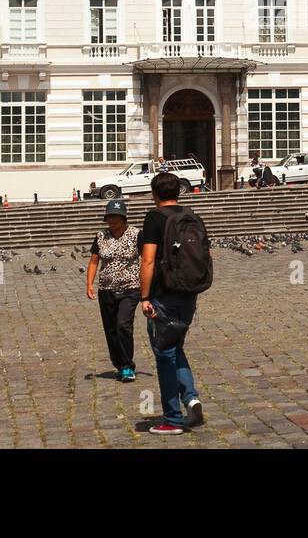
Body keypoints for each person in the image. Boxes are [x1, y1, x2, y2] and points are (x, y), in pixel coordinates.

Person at [139, 171, 212, 435]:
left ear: (154, 193)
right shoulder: (192, 216)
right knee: (175, 347)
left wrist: (144, 296)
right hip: (189, 293)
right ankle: (191, 399)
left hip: (163, 294)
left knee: (164, 355)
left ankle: (172, 418)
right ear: (178, 192)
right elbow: (206, 253)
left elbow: (148, 260)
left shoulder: (155, 218)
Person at [87, 199, 141, 382]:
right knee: (111, 329)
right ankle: (118, 363)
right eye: (109, 217)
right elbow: (94, 261)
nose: (112, 220)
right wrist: (89, 284)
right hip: (106, 289)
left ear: (124, 217)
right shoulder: (101, 236)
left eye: (116, 217)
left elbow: (148, 259)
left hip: (130, 288)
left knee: (123, 325)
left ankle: (127, 366)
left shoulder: (136, 234)